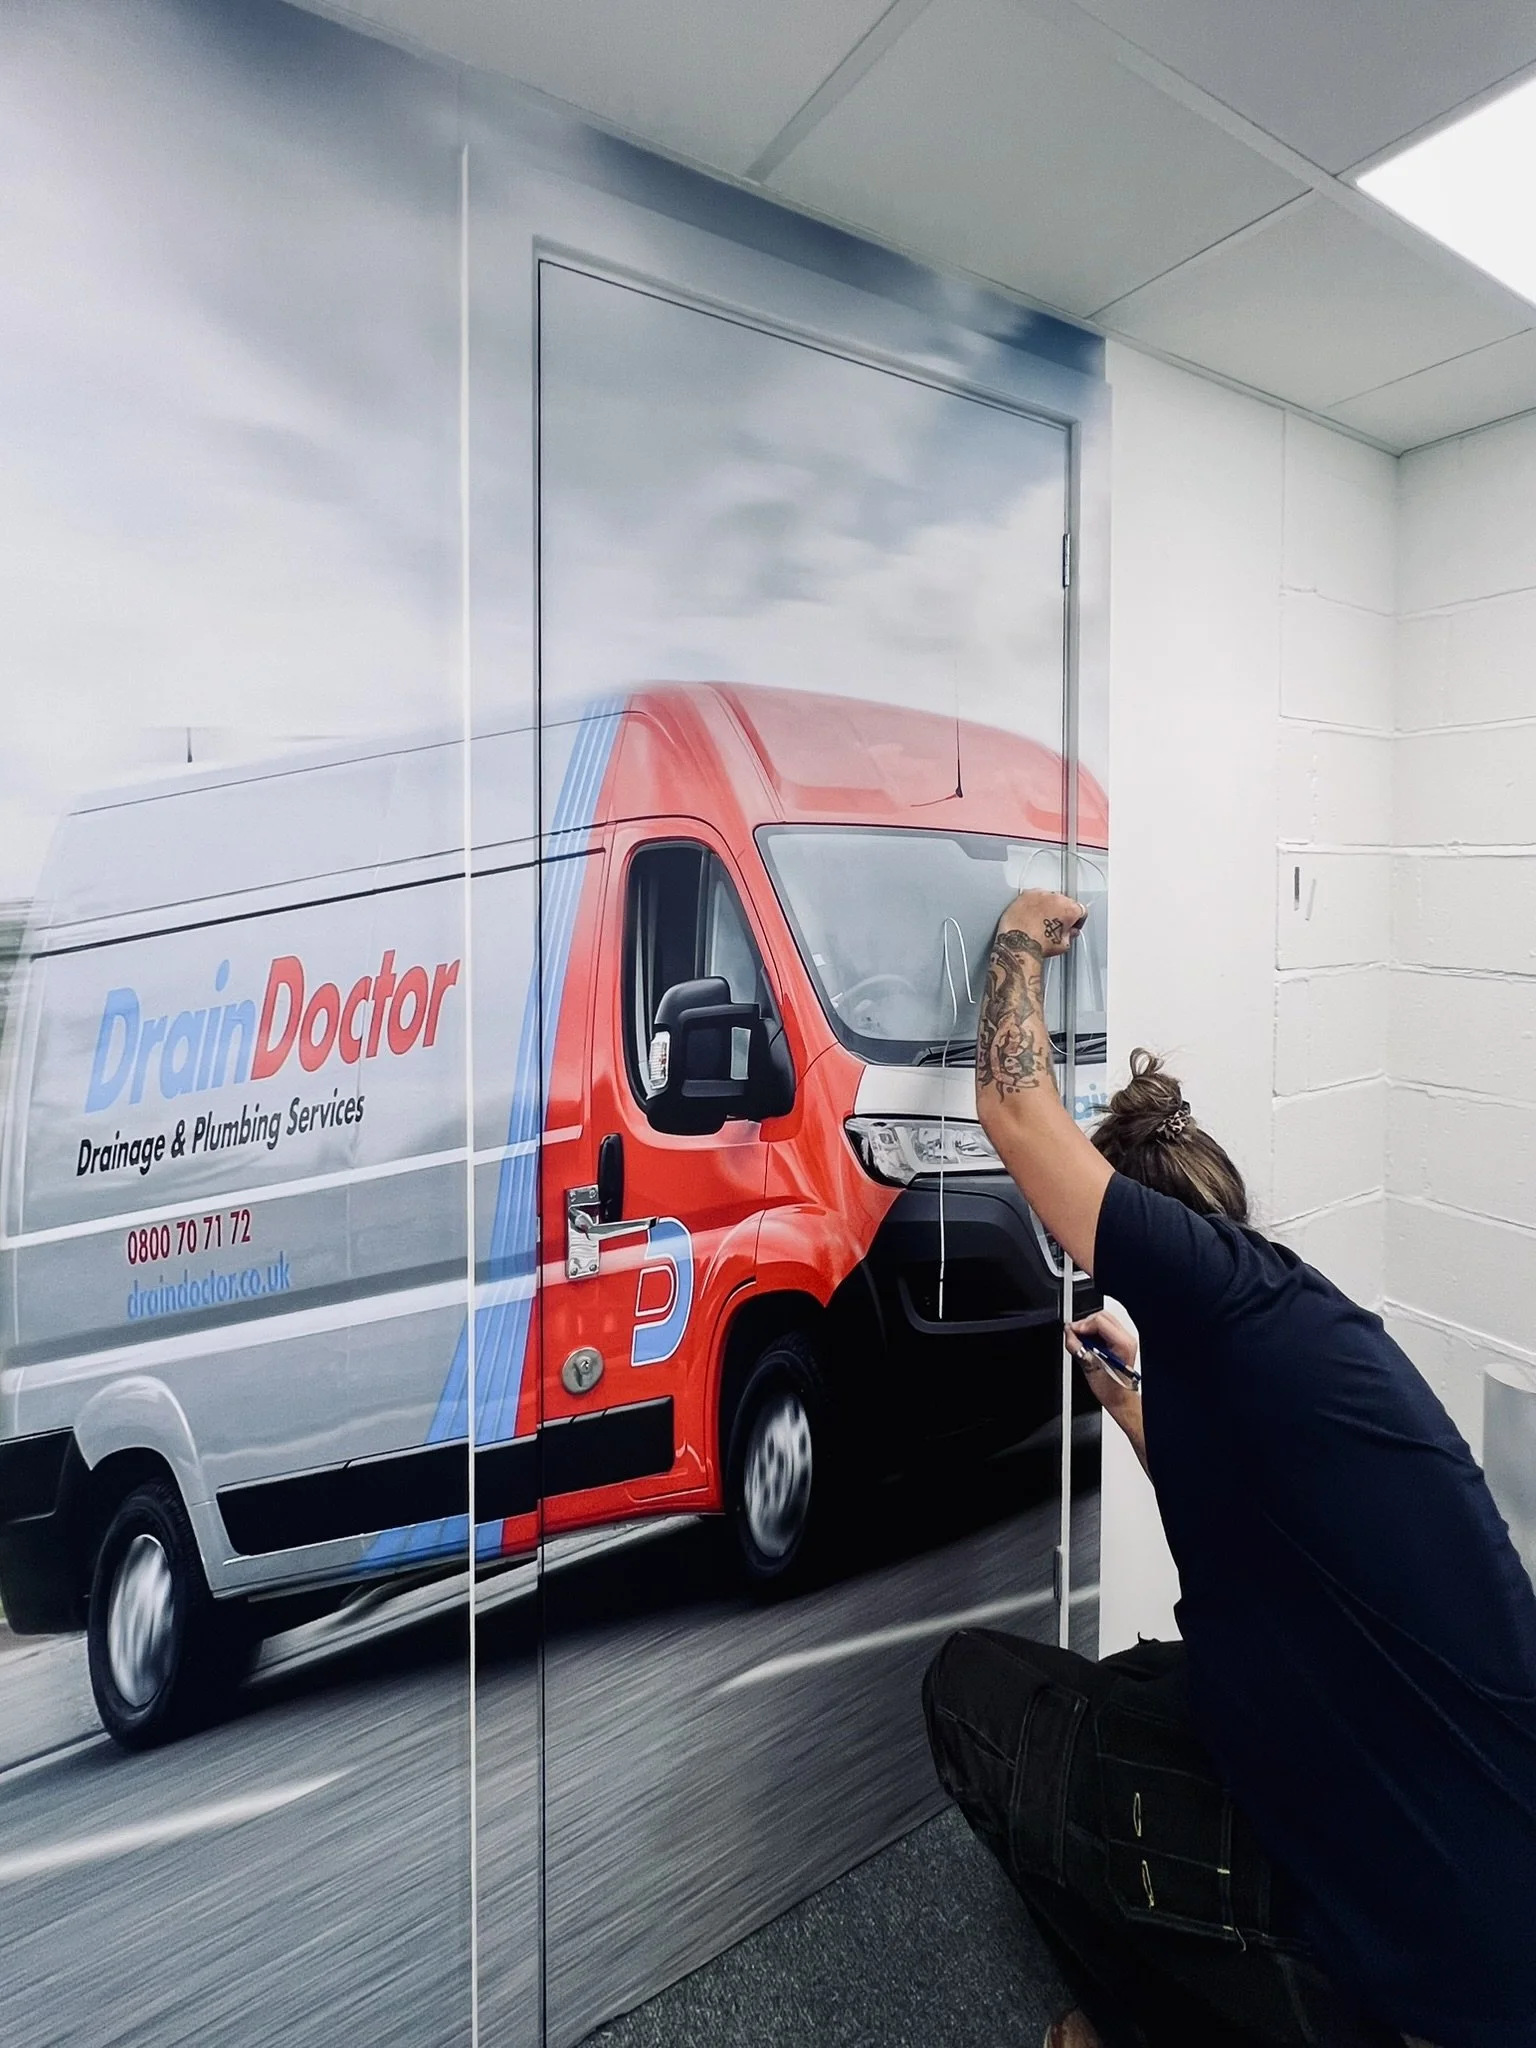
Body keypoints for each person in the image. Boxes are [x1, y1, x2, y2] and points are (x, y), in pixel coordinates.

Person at [923, 887, 1536, 2048]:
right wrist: (1137, 1405)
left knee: (973, 1692)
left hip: (1440, 1982)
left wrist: (1013, 934)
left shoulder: (1215, 1289)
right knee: (1162, 1672)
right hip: (1488, 1909)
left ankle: (1154, 2019)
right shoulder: (1285, 1344)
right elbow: (1255, 1514)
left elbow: (1015, 1107)